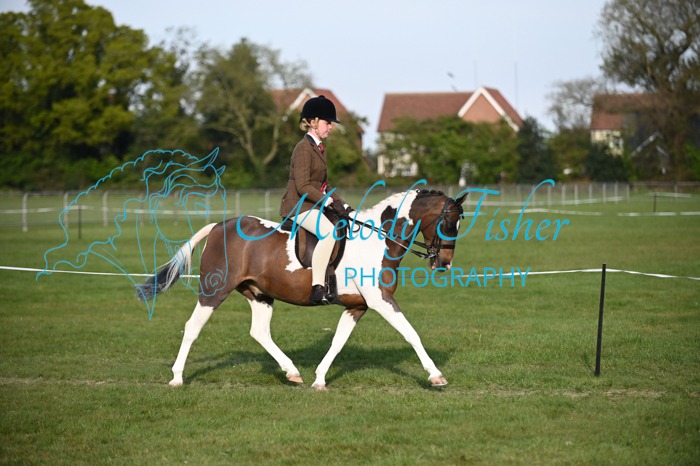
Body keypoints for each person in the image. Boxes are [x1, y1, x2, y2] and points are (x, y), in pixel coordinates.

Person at [279, 95, 352, 305]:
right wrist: (326, 201)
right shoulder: (303, 148)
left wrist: (344, 205)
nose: (331, 127)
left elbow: (324, 185)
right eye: (327, 123)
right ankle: (317, 287)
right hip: (299, 206)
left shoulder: (319, 148)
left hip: (312, 204)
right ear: (313, 122)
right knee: (329, 233)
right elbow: (303, 186)